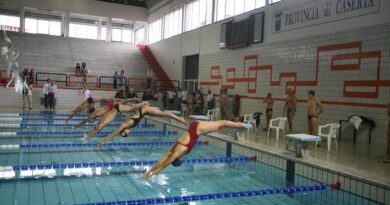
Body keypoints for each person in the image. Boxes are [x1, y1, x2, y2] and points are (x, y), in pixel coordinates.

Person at [144, 120, 250, 178]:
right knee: (220, 123)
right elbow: (163, 159)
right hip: (194, 125)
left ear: (179, 160)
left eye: (181, 161)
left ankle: (240, 125)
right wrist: (150, 171)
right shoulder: (174, 149)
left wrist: (155, 173)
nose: (183, 159)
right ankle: (239, 124)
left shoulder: (180, 151)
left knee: (221, 124)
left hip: (197, 129)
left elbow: (166, 163)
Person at [97, 104, 188, 145]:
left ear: (125, 131)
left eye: (126, 134)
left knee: (165, 114)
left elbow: (113, 134)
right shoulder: (127, 126)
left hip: (144, 110)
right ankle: (179, 119)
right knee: (162, 114)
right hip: (144, 112)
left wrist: (103, 141)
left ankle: (181, 119)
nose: (129, 134)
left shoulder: (124, 125)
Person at [81, 101, 148, 140]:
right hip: (116, 109)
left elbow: (132, 107)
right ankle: (87, 136)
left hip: (115, 109)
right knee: (98, 127)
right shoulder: (127, 125)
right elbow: (132, 107)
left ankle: (87, 136)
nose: (128, 132)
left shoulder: (126, 125)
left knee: (98, 127)